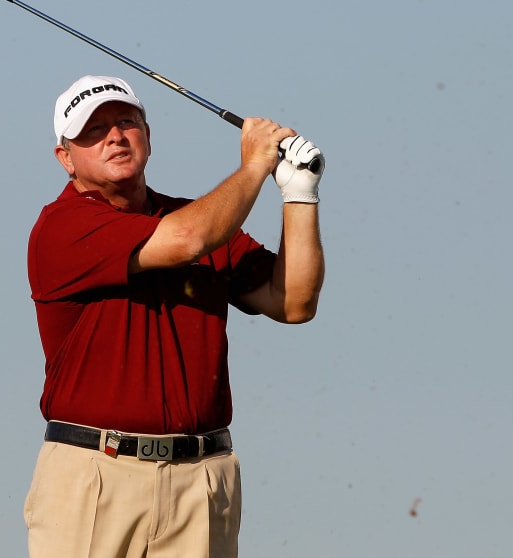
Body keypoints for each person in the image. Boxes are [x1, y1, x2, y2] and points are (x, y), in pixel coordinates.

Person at [23, 75, 326, 558]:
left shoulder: (201, 219)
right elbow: (187, 240)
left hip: (201, 479)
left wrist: (299, 195)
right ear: (65, 158)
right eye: (93, 132)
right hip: (96, 475)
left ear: (147, 134)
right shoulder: (63, 226)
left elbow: (292, 301)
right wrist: (253, 167)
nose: (115, 137)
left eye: (126, 122)